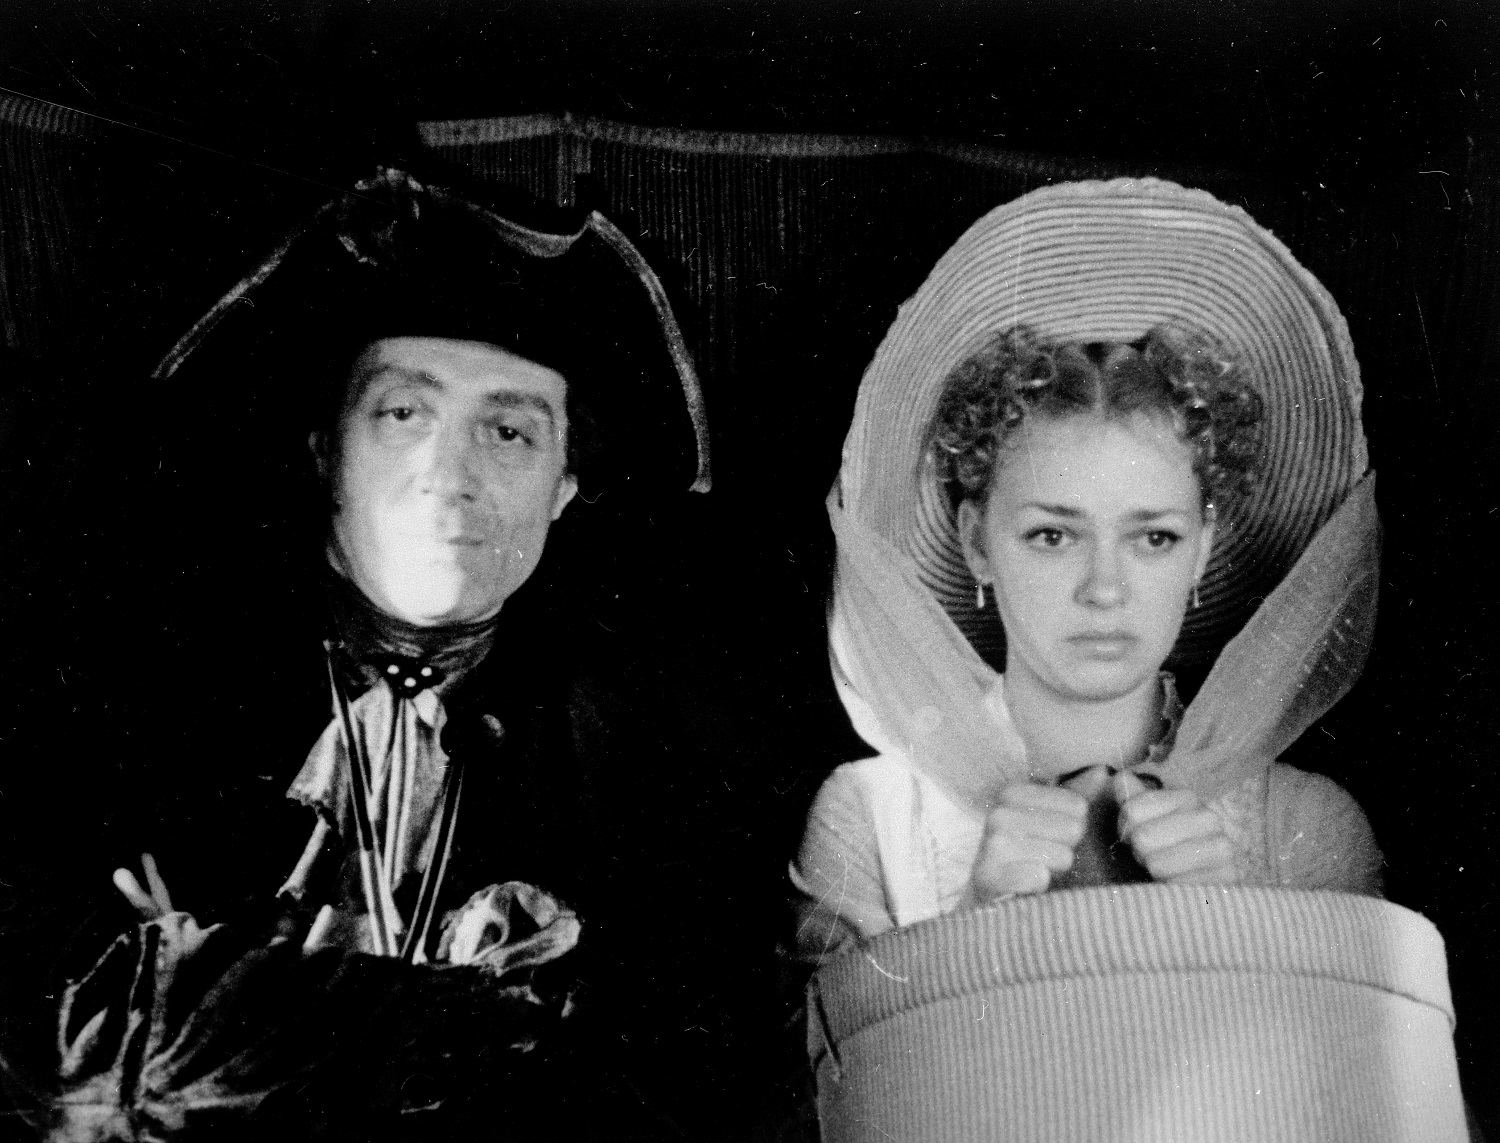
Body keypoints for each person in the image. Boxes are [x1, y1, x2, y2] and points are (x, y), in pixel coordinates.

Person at [23, 167, 724, 1141]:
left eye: (510, 431)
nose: (450, 476)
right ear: (327, 449)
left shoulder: (636, 754)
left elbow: (671, 1076)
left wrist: (263, 1008)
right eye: (403, 415)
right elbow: (76, 1065)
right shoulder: (148, 692)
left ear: (564, 486)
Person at [793, 177, 1385, 955]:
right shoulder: (871, 817)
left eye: (1154, 538)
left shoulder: (1306, 826)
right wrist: (973, 918)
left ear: (1203, 549)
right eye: (1052, 535)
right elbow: (830, 1038)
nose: (1105, 589)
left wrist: (1237, 927)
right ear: (976, 542)